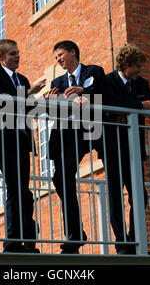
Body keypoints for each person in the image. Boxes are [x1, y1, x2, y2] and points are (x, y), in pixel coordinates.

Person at [100, 43, 150, 254]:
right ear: (125, 64)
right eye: (136, 66)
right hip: (113, 148)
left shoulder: (141, 83)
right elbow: (110, 102)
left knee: (140, 195)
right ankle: (122, 243)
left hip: (134, 148)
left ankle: (135, 240)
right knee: (115, 195)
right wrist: (137, 105)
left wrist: (133, 105)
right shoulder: (107, 81)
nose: (139, 71)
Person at [46, 40, 105, 254]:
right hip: (68, 132)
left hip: (91, 130)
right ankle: (75, 233)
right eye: (56, 58)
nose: (58, 60)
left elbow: (100, 91)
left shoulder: (94, 71)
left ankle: (76, 234)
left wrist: (82, 93)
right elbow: (55, 114)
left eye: (61, 55)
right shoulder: (58, 81)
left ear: (73, 52)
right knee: (61, 178)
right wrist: (53, 103)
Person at [0, 39, 45, 253]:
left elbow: (28, 111)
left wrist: (42, 100)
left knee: (23, 191)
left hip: (22, 139)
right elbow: (1, 102)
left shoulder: (22, 79)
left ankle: (27, 240)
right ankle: (14, 241)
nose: (17, 56)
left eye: (18, 52)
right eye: (12, 54)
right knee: (16, 189)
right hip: (4, 139)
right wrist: (29, 94)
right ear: (1, 57)